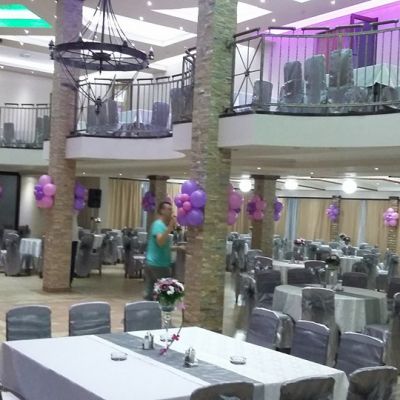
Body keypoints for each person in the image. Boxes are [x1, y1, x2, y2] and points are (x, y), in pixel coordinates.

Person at [144, 201, 175, 300]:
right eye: (169, 209)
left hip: (156, 264)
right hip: (158, 265)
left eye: (171, 209)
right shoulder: (158, 224)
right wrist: (170, 228)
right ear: (162, 211)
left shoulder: (162, 226)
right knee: (165, 295)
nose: (171, 212)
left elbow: (162, 245)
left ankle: (148, 308)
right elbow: (160, 242)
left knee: (151, 295)